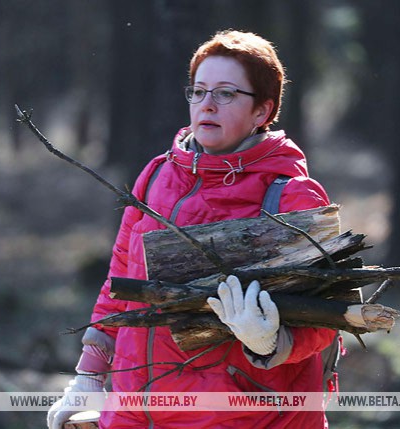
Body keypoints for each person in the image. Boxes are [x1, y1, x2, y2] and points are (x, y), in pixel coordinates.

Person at [48, 30, 336, 429]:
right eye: (199, 91)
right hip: (133, 413)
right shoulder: (156, 175)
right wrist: (89, 376)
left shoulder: (290, 193)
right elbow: (120, 281)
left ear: (262, 111)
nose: (207, 105)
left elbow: (328, 318)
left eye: (226, 94)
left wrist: (269, 342)